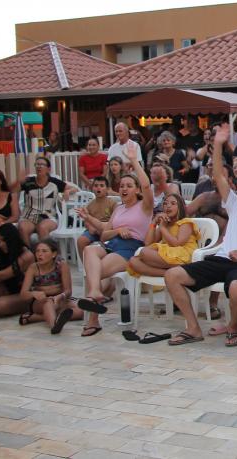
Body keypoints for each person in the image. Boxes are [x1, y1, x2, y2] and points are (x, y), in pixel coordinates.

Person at [163, 125, 237, 348]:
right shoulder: (234, 204)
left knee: (236, 289)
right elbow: (218, 174)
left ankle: (232, 326)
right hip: (221, 259)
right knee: (172, 276)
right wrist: (217, 144)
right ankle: (193, 328)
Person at [77, 143, 154, 337]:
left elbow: (146, 185)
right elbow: (104, 234)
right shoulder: (118, 209)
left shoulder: (144, 206)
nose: (124, 188)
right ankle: (96, 292)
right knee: (89, 250)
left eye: (129, 186)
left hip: (130, 248)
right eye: (122, 186)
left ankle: (93, 319)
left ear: (137, 190)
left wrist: (134, 160)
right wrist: (118, 230)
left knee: (95, 271)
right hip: (111, 243)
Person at [126, 194, 199, 279]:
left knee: (144, 252)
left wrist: (162, 228)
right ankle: (168, 273)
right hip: (168, 256)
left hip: (183, 256)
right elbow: (148, 243)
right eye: (165, 203)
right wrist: (154, 222)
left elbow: (177, 243)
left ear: (181, 207)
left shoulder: (185, 222)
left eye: (173, 203)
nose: (168, 206)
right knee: (133, 261)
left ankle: (177, 271)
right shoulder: (165, 224)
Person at [18, 239, 81, 334]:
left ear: (54, 254)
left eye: (44, 251)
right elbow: (23, 294)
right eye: (37, 251)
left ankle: (34, 318)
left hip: (59, 298)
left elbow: (68, 291)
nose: (40, 254)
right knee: (48, 303)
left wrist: (60, 296)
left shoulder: (62, 265)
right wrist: (34, 294)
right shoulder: (33, 268)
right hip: (40, 302)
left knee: (80, 311)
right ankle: (54, 325)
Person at [15, 156, 75, 245]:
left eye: (42, 165)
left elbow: (74, 188)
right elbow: (12, 190)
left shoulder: (54, 182)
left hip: (48, 216)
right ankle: (28, 252)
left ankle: (45, 251)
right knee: (23, 228)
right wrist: (18, 181)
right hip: (29, 216)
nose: (39, 166)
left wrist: (68, 191)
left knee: (42, 227)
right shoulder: (28, 181)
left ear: (48, 169)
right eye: (37, 164)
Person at [75, 176, 117, 258]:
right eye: (96, 185)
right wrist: (90, 227)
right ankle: (85, 263)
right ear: (92, 188)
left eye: (102, 186)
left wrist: (103, 229)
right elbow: (86, 220)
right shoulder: (90, 205)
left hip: (107, 230)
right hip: (93, 231)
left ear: (107, 189)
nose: (98, 188)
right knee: (81, 241)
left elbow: (115, 221)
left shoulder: (112, 203)